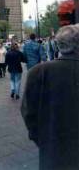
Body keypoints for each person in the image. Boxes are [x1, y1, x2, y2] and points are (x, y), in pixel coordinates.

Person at [21, 24, 79, 170]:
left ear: (58, 45)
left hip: (52, 151)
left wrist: (41, 139)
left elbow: (28, 113)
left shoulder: (38, 72)